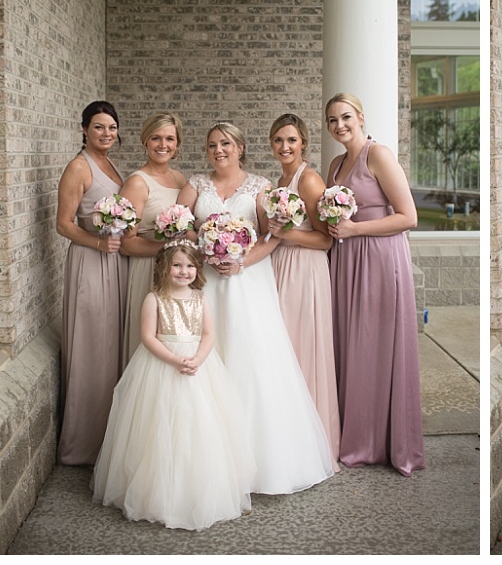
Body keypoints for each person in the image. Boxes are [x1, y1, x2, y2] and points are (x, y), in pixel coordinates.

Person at [176, 122, 335, 493]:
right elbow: (180, 227)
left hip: (249, 282)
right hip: (207, 280)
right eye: (213, 144)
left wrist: (242, 261)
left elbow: (270, 237)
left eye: (226, 143)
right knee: (209, 357)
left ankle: (258, 460)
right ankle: (205, 458)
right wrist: (205, 247)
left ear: (241, 147)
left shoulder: (261, 187)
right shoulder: (195, 185)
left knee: (251, 359)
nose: (219, 150)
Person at [93, 241, 255, 530]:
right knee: (159, 425)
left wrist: (197, 360)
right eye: (177, 265)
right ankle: (156, 493)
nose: (184, 271)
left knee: (199, 424)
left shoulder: (201, 299)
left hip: (197, 367)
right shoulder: (154, 299)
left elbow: (208, 335)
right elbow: (148, 337)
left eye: (190, 266)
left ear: (198, 269)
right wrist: (174, 359)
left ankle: (196, 487)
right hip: (161, 365)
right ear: (164, 268)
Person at [324, 94, 426, 476]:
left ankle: (382, 440)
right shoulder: (335, 164)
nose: (339, 126)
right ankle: (354, 434)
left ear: (361, 117)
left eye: (346, 117)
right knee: (351, 344)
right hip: (346, 260)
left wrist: (354, 228)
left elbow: (409, 216)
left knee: (376, 343)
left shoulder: (378, 154)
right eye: (332, 120)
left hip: (380, 259)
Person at [54, 101, 129, 466]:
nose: (106, 134)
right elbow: (64, 224)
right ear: (84, 129)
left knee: (112, 344)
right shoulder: (78, 168)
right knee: (92, 347)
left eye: (111, 127)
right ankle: (83, 445)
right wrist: (99, 242)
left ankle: (110, 438)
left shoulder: (110, 165)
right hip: (90, 260)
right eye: (99, 127)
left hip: (116, 261)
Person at [267, 113, 341, 460]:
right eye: (279, 140)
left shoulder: (309, 180)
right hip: (280, 265)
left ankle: (311, 443)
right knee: (282, 352)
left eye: (292, 140)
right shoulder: (279, 180)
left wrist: (286, 234)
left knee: (300, 348)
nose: (285, 146)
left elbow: (325, 240)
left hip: (304, 269)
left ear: (304, 144)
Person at [117, 112, 187, 372]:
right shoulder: (137, 183)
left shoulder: (180, 179)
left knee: (178, 342)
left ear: (177, 143)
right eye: (156, 138)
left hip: (178, 273)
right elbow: (126, 243)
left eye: (169, 138)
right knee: (151, 344)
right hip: (149, 271)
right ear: (145, 141)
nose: (163, 145)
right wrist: (168, 248)